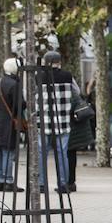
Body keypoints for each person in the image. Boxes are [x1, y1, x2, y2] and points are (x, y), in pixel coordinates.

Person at [34, 50, 82, 194]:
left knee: (42, 153)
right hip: (62, 121)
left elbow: (29, 94)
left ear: (45, 62)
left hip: (44, 121)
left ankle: (41, 184)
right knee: (62, 153)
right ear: (59, 62)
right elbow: (77, 92)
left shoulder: (39, 77)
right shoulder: (67, 76)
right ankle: (63, 184)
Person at [0, 58, 24, 192]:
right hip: (8, 123)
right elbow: (19, 105)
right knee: (8, 152)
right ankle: (8, 181)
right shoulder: (14, 84)